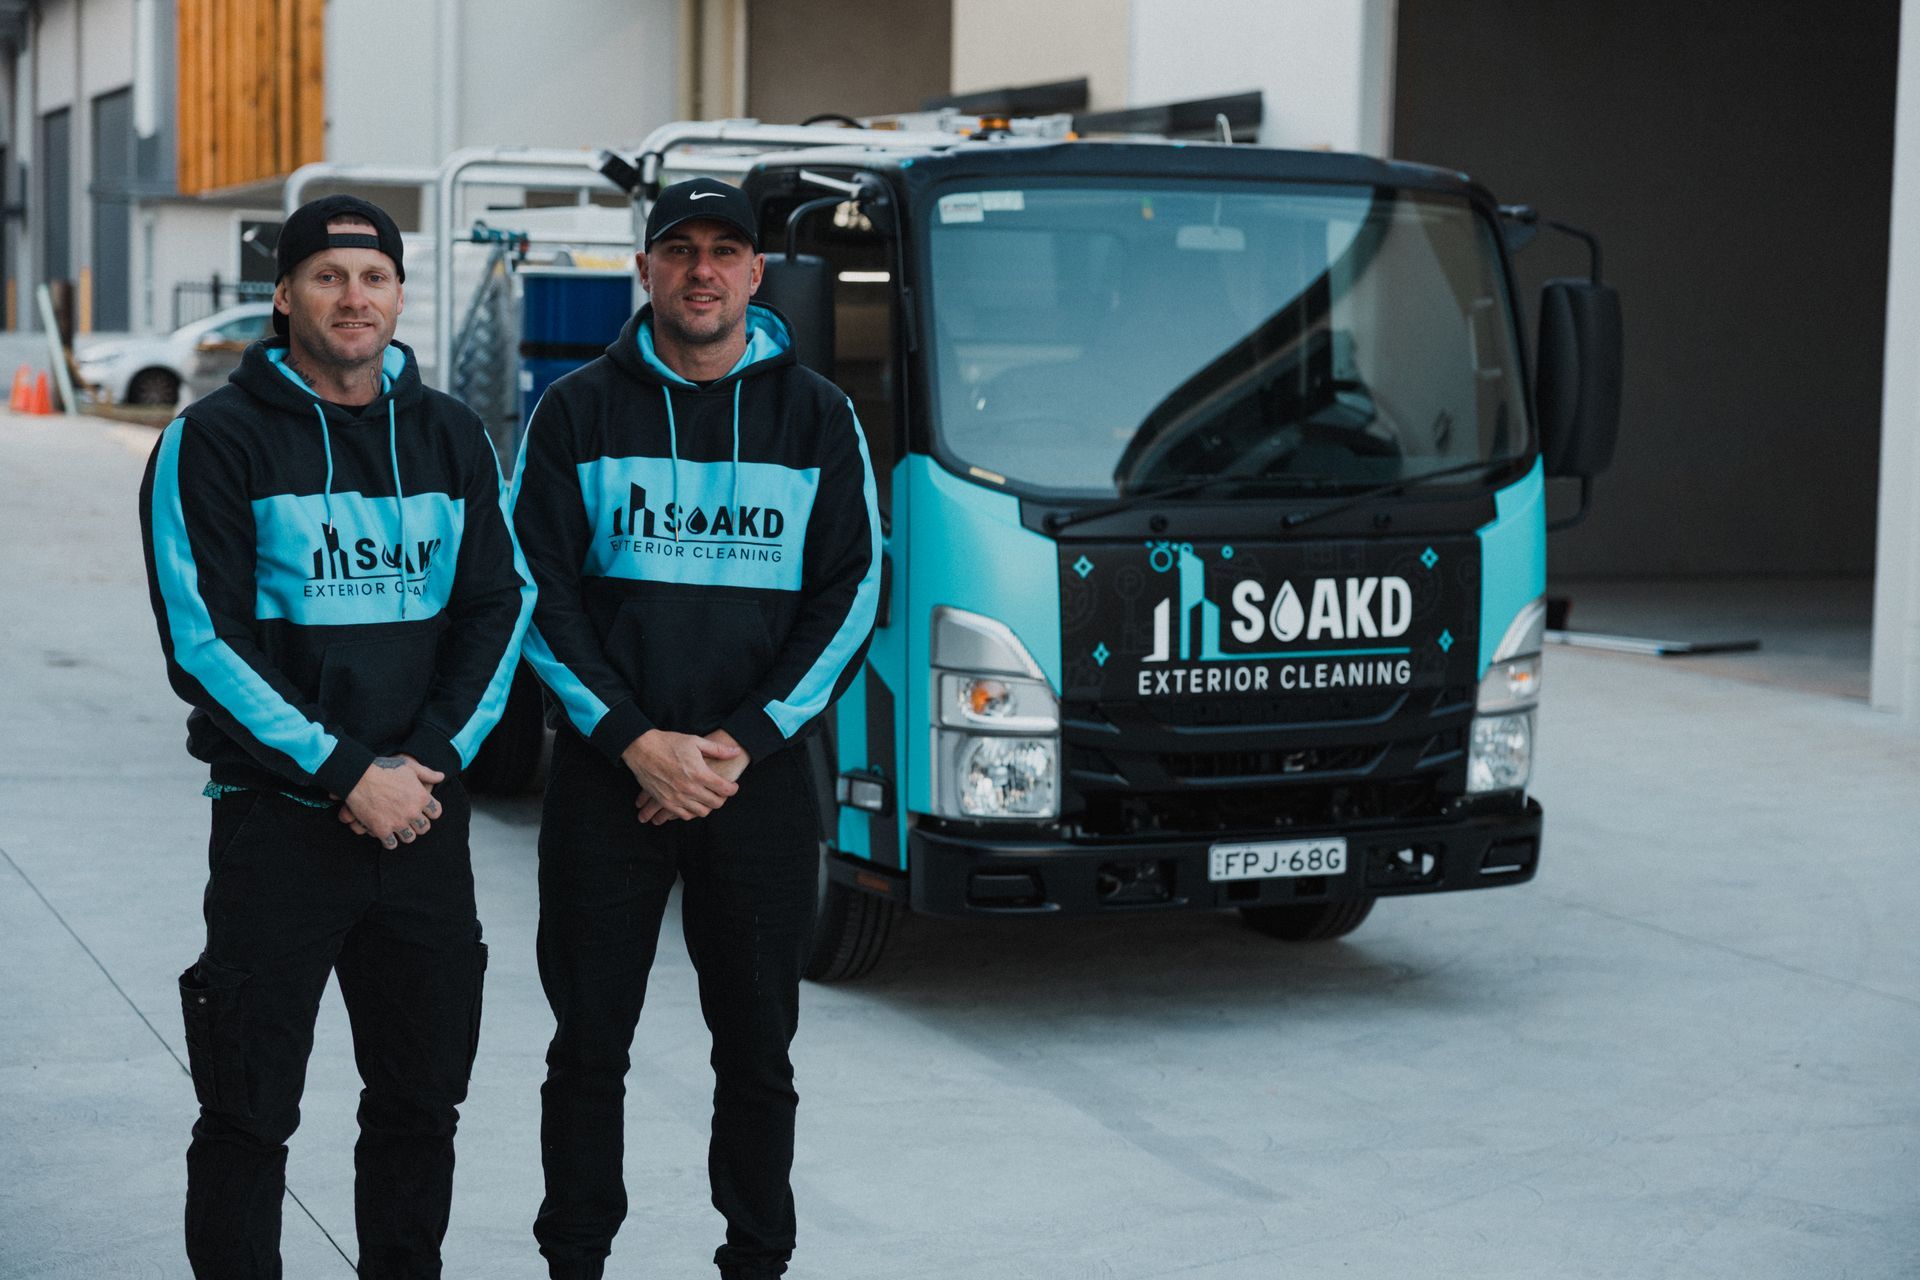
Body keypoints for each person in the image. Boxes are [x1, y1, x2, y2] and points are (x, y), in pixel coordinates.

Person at [137, 194, 535, 1278]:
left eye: (373, 278)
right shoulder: (211, 440)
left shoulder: (452, 435)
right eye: (327, 275)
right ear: (283, 294)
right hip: (279, 828)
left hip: (423, 827)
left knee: (419, 1104)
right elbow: (203, 639)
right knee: (247, 1113)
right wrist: (347, 769)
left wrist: (431, 762)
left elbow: (500, 608)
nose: (353, 297)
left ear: (401, 295)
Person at [511, 177, 882, 1280]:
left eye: (727, 250)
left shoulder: (818, 415)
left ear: (759, 274)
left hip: (750, 784)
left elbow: (852, 590)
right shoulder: (577, 408)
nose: (703, 270)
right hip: (604, 777)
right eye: (680, 249)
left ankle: (756, 1255)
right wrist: (633, 736)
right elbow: (534, 589)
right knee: (587, 1048)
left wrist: (738, 744)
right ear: (645, 269)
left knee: (759, 1052)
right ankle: (575, 1256)